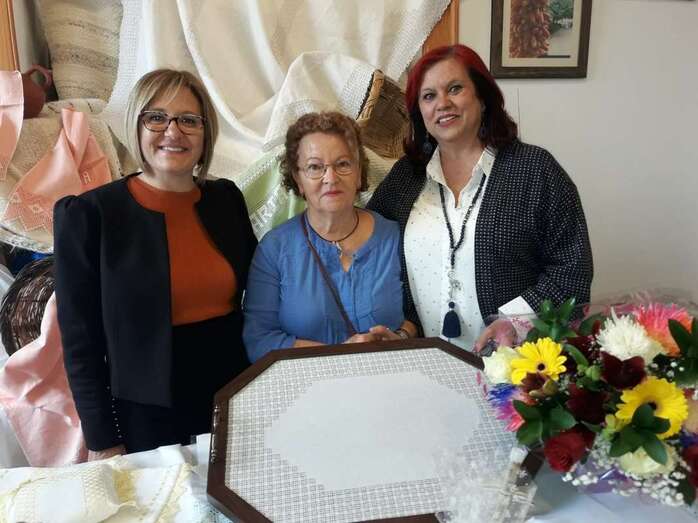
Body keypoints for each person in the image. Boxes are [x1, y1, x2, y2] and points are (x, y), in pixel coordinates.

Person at [54, 69, 256, 458]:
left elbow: (264, 291)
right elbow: (81, 342)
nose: (173, 131)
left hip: (235, 395)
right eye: (157, 117)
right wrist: (103, 438)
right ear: (137, 124)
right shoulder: (90, 215)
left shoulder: (226, 199)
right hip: (146, 412)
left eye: (188, 120)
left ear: (205, 133)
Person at [367, 45, 593, 351]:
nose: (442, 104)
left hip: (518, 364)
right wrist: (404, 332)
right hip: (428, 363)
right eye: (429, 96)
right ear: (419, 112)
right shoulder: (406, 178)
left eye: (455, 89)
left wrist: (514, 322)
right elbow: (372, 250)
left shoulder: (535, 170)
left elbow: (572, 272)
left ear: (483, 98)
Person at [243, 111, 417, 362]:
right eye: (315, 167)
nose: (331, 178)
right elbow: (259, 340)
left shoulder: (394, 236)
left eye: (343, 164)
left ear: (359, 172)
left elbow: (418, 313)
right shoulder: (274, 249)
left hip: (389, 375)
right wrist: (337, 355)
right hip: (308, 383)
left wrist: (400, 337)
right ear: (298, 179)